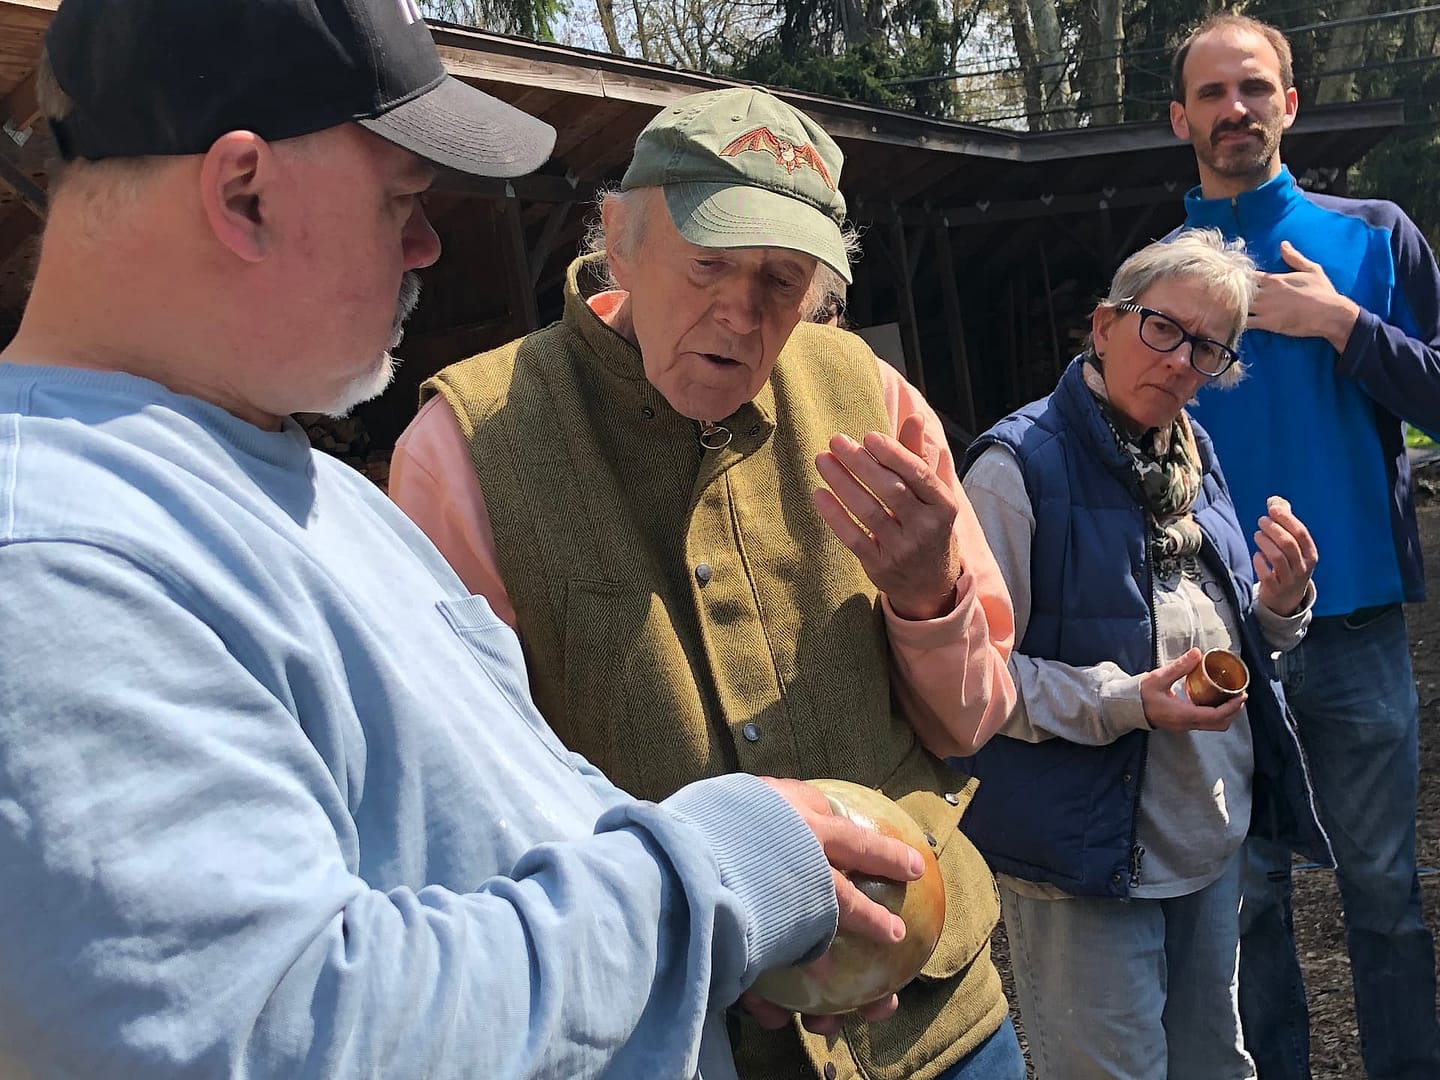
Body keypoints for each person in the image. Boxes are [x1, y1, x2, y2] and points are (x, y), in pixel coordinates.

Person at [0, 2, 933, 1076]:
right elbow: (275, 1034)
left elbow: (517, 814)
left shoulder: (304, 488)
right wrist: (711, 881)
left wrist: (721, 939)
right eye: (399, 196)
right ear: (243, 192)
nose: (428, 242)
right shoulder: (57, 564)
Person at [389, 86, 1026, 1080]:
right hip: (680, 1038)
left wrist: (925, 597)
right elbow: (465, 805)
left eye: (781, 279)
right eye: (708, 264)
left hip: (938, 1022)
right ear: (619, 238)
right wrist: (730, 901)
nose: (740, 310)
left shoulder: (871, 399)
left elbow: (974, 722)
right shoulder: (471, 448)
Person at [957, 230, 1332, 1079]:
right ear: (1103, 324)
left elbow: (1242, 640)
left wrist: (1283, 603)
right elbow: (974, 678)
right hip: (1084, 855)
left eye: (1208, 347)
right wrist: (1126, 701)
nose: (1179, 361)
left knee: (1215, 1064)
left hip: (1201, 836)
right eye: (1163, 328)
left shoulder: (1195, 459)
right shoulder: (1017, 470)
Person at [1170, 15, 1440, 1078]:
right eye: (1213, 93)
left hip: (1359, 623)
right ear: (1180, 116)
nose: (1235, 109)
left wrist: (1340, 325)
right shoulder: (1162, 273)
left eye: (1255, 88)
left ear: (1290, 104)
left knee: (1384, 895)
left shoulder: (1374, 235)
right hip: (1220, 633)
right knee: (1247, 904)